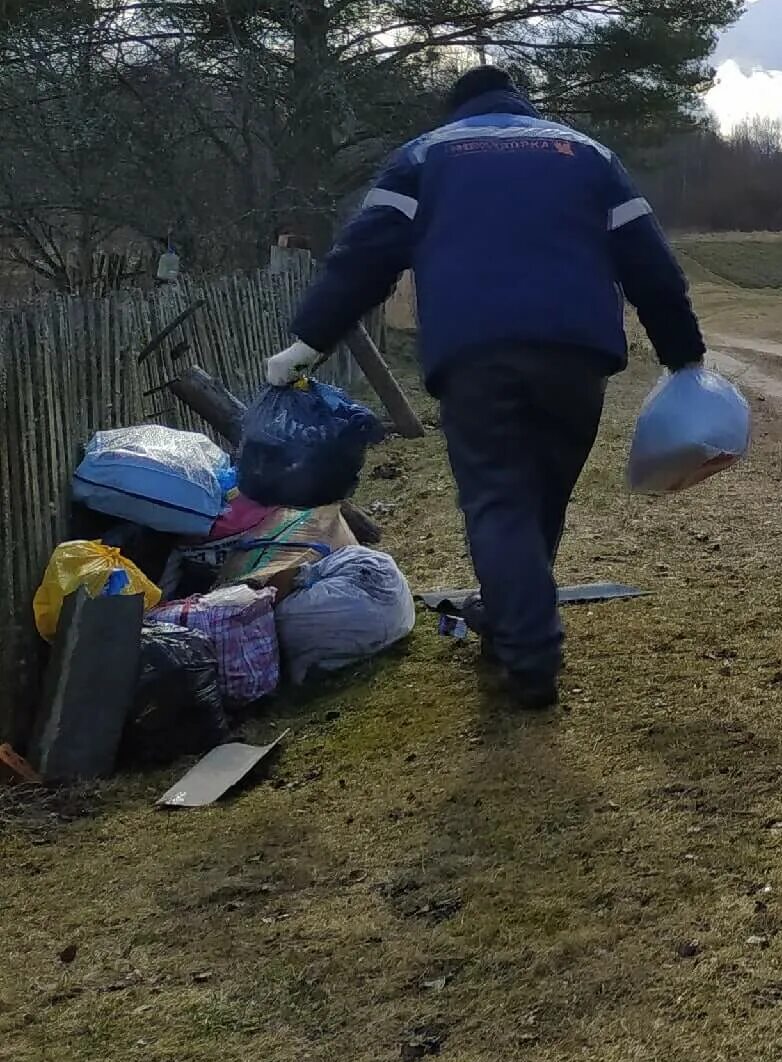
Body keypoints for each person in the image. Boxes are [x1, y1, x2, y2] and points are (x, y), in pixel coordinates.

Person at [267, 65, 705, 708]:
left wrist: (309, 340)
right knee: (539, 499)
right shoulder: (585, 154)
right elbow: (651, 263)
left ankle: (528, 656)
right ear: (519, 104)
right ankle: (509, 626)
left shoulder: (425, 156)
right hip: (576, 358)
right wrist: (683, 354)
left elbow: (364, 258)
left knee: (499, 500)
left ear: (457, 109)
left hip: (476, 355)